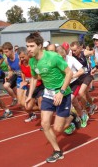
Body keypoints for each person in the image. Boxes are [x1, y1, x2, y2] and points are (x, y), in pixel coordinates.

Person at [25, 32, 73, 163]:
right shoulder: (32, 61)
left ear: (40, 46)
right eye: (27, 46)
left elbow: (69, 73)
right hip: (48, 94)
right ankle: (57, 151)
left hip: (63, 93)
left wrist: (61, 92)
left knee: (58, 128)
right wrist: (30, 95)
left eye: (31, 46)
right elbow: (34, 78)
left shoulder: (54, 57)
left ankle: (71, 118)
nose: (28, 49)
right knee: (45, 123)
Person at [2, 42, 20, 107]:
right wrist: (8, 76)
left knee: (22, 98)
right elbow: (10, 70)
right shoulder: (7, 60)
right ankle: (14, 98)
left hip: (24, 76)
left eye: (6, 52)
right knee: (6, 85)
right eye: (4, 52)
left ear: (11, 50)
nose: (5, 54)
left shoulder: (18, 57)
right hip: (16, 75)